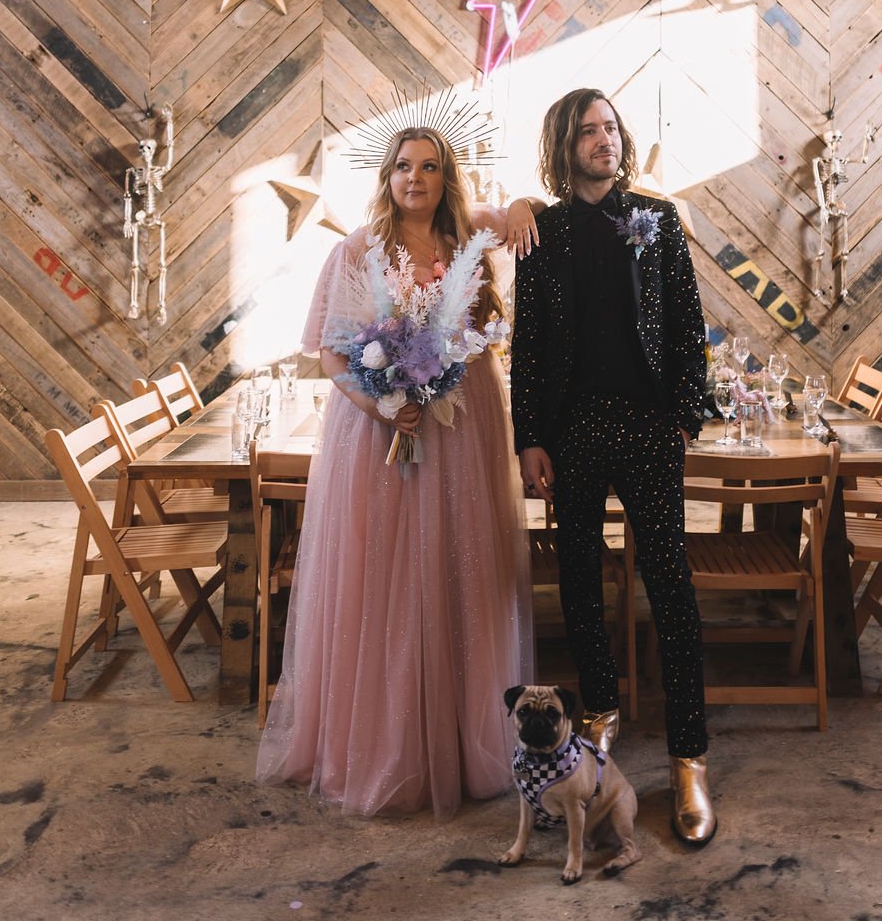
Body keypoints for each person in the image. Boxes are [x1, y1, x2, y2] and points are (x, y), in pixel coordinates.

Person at [257, 126, 538, 817]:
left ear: (447, 178)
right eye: (404, 167)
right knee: (382, 577)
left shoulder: (464, 240)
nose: (416, 178)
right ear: (386, 177)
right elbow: (328, 351)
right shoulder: (355, 249)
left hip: (460, 429)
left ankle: (457, 737)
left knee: (457, 573)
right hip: (379, 429)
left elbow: (520, 215)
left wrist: (527, 201)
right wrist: (381, 402)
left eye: (431, 167)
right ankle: (383, 744)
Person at [510, 88, 716, 847]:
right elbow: (528, 345)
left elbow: (690, 322)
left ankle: (689, 758)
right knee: (577, 583)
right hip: (573, 431)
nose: (606, 140)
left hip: (648, 425)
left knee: (670, 586)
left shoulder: (656, 219)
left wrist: (686, 414)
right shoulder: (545, 231)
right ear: (565, 144)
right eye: (590, 131)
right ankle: (596, 716)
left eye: (612, 129)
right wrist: (528, 436)